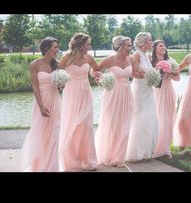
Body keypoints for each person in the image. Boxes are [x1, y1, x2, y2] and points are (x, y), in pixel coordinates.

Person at [20, 37, 61, 172]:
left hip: (55, 102)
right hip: (41, 102)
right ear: (46, 48)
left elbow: (61, 88)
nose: (57, 50)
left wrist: (62, 84)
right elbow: (35, 87)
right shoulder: (35, 64)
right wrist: (41, 106)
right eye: (54, 47)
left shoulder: (58, 64)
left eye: (57, 47)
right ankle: (39, 167)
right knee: (41, 134)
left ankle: (52, 168)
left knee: (54, 135)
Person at [58, 32, 98, 171]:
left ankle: (86, 160)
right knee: (72, 125)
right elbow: (58, 73)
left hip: (86, 93)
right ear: (80, 45)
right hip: (71, 94)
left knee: (86, 126)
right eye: (88, 44)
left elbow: (96, 70)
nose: (90, 46)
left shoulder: (89, 57)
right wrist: (60, 82)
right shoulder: (66, 58)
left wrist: (98, 76)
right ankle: (71, 159)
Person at [94, 36, 133, 167]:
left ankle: (120, 157)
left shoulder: (131, 59)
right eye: (128, 45)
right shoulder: (109, 60)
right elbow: (94, 70)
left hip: (127, 93)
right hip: (112, 94)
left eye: (131, 45)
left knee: (125, 123)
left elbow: (136, 73)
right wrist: (100, 78)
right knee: (112, 123)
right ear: (120, 47)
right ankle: (108, 154)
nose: (130, 48)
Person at [125, 32, 158, 162]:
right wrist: (146, 77)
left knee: (149, 117)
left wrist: (153, 77)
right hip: (139, 90)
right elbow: (132, 73)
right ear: (142, 42)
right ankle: (135, 151)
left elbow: (148, 71)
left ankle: (145, 150)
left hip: (148, 90)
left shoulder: (147, 56)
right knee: (139, 117)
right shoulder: (136, 55)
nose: (151, 42)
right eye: (150, 40)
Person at [151, 40, 180, 159]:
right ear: (155, 48)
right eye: (160, 45)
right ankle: (154, 147)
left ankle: (165, 149)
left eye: (164, 45)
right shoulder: (150, 61)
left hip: (168, 92)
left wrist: (170, 74)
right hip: (155, 92)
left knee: (167, 119)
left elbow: (178, 78)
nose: (163, 47)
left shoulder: (171, 61)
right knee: (156, 119)